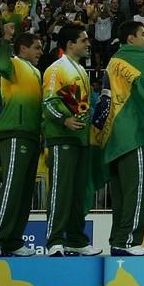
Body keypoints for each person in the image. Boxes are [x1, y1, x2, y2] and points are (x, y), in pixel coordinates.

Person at [95, 20, 144, 256]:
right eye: (143, 35)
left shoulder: (114, 60)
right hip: (130, 132)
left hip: (113, 135)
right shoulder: (129, 54)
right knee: (137, 189)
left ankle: (118, 239)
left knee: (120, 193)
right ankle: (129, 241)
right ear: (131, 39)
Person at [0, 23, 43, 256]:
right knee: (11, 186)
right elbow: (2, 63)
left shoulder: (37, 72)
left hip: (32, 135)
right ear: (23, 49)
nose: (40, 52)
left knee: (25, 191)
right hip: (15, 133)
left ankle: (14, 241)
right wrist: (6, 39)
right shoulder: (14, 64)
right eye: (36, 48)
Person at [43, 23, 100, 256]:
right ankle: (54, 240)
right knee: (61, 189)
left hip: (81, 140)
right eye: (84, 40)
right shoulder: (56, 69)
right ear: (70, 44)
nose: (88, 44)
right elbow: (48, 102)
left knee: (78, 192)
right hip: (61, 137)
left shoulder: (80, 70)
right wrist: (64, 120)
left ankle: (76, 240)